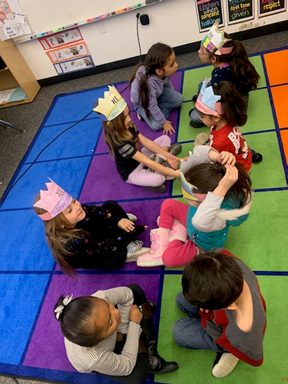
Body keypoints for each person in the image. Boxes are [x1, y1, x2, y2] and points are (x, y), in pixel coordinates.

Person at [137, 146, 252, 267]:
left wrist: (222, 188)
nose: (184, 197)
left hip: (200, 243)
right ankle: (161, 248)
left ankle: (179, 236)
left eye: (188, 194)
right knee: (168, 204)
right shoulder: (209, 183)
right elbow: (198, 151)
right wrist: (217, 157)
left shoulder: (218, 216)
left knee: (168, 259)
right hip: (191, 220)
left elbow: (199, 221)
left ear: (209, 199)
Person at [54, 284, 179, 384]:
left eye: (108, 306)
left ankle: (150, 352)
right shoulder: (94, 358)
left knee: (135, 290)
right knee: (139, 373)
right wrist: (134, 324)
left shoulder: (99, 298)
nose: (116, 313)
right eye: (110, 322)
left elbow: (128, 293)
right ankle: (142, 317)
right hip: (101, 359)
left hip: (107, 335)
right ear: (98, 341)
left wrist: (122, 329)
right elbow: (127, 364)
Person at [173, 251, 267, 378]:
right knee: (181, 299)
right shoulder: (223, 261)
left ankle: (230, 352)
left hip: (228, 338)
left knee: (178, 331)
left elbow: (255, 357)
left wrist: (235, 349)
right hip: (220, 316)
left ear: (230, 306)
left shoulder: (245, 330)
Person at [34, 179, 149, 276]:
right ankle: (127, 248)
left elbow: (96, 211)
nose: (77, 206)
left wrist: (117, 220)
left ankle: (121, 226)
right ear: (61, 224)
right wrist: (129, 235)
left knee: (110, 205)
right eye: (69, 210)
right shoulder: (73, 241)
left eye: (73, 201)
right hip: (93, 252)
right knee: (115, 259)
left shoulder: (78, 211)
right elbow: (103, 246)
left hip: (89, 235)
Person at [189, 20, 262, 163]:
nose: (199, 51)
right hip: (238, 96)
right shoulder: (233, 61)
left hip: (232, 106)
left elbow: (218, 102)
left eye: (202, 51)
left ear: (214, 58)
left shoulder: (219, 76)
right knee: (201, 84)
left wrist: (204, 107)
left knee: (194, 116)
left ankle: (247, 153)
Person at [94, 85, 182, 194]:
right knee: (159, 179)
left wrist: (168, 156)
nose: (130, 119)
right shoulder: (119, 143)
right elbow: (146, 161)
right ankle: (159, 166)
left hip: (139, 156)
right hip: (132, 171)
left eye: (128, 114)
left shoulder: (128, 126)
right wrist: (176, 174)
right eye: (125, 117)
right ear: (111, 124)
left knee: (165, 139)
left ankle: (161, 161)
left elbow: (146, 142)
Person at [194, 81, 252, 173]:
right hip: (243, 157)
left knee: (199, 164)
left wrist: (192, 158)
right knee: (201, 137)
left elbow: (214, 157)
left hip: (237, 170)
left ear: (216, 117)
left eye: (202, 116)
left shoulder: (220, 141)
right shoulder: (229, 119)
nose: (200, 119)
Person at [130, 42, 184, 135]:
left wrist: (171, 94)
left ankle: (158, 111)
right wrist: (164, 122)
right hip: (143, 103)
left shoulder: (162, 73)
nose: (176, 65)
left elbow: (166, 83)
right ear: (159, 71)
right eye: (172, 65)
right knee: (157, 125)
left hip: (156, 95)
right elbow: (151, 105)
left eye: (175, 61)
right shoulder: (149, 84)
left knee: (179, 100)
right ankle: (141, 112)